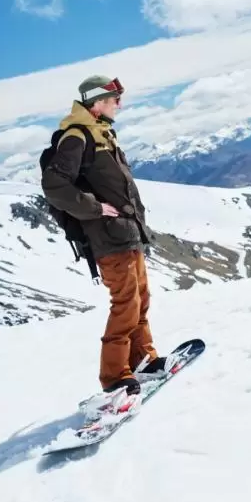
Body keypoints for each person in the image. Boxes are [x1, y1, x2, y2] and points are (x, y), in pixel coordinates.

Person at [40, 76, 166, 397]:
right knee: (125, 304)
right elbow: (55, 186)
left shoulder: (102, 133)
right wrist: (94, 207)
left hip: (127, 233)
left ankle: (142, 360)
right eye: (114, 99)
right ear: (96, 103)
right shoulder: (76, 136)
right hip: (107, 237)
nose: (119, 105)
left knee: (140, 300)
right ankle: (113, 377)